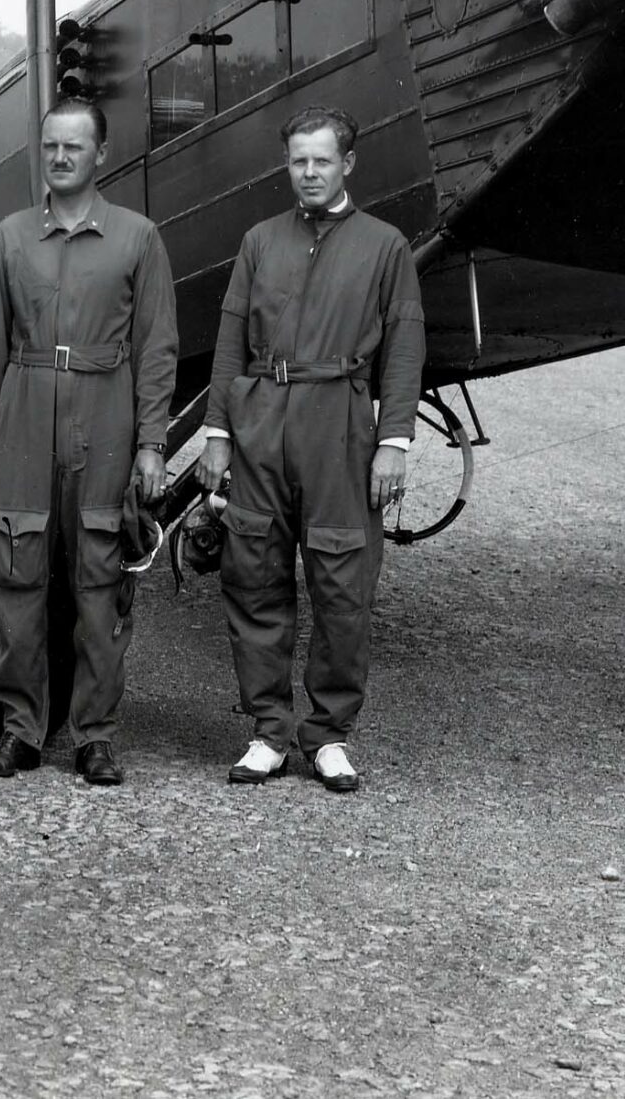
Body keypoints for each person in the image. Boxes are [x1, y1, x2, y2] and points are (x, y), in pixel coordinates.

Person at [198, 107, 424, 793]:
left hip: (342, 423)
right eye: (298, 160)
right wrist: (217, 431)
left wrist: (394, 440)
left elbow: (406, 341)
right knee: (255, 569)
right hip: (262, 415)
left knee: (342, 582)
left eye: (322, 160)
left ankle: (328, 734)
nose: (309, 172)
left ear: (348, 163)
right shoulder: (260, 241)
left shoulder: (385, 246)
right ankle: (268, 730)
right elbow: (231, 338)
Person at [0, 98, 179, 786]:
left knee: (100, 580)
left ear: (100, 154)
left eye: (74, 147)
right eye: (50, 145)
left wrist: (150, 443)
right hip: (24, 405)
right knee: (16, 571)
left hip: (105, 408)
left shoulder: (137, 238)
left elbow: (157, 347)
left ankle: (94, 736)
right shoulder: (10, 237)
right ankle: (21, 729)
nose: (60, 157)